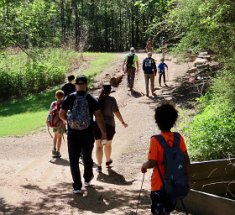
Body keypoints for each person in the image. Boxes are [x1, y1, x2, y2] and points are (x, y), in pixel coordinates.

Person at [59, 75, 107, 194]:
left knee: (74, 159)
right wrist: (104, 133)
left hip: (72, 134)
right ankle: (87, 178)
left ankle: (77, 186)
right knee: (87, 157)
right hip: (87, 133)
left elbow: (61, 114)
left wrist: (69, 122)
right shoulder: (91, 99)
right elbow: (99, 117)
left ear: (76, 85)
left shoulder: (69, 98)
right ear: (86, 85)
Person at [141, 103, 190, 215]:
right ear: (173, 120)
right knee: (167, 211)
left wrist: (144, 166)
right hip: (174, 184)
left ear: (157, 122)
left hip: (159, 185)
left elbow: (152, 163)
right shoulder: (178, 138)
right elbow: (186, 160)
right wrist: (188, 179)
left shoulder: (156, 140)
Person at [94, 83, 128, 173]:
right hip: (109, 125)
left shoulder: (96, 99)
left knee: (98, 146)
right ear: (110, 91)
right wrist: (123, 122)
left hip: (97, 125)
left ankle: (99, 166)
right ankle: (108, 161)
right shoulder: (111, 100)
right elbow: (116, 112)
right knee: (108, 145)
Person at [46, 90, 65, 158]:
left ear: (55, 96)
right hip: (61, 122)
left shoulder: (53, 103)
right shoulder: (64, 103)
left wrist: (47, 121)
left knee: (55, 135)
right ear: (63, 96)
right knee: (59, 137)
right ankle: (58, 151)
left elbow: (49, 113)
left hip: (54, 123)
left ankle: (54, 148)